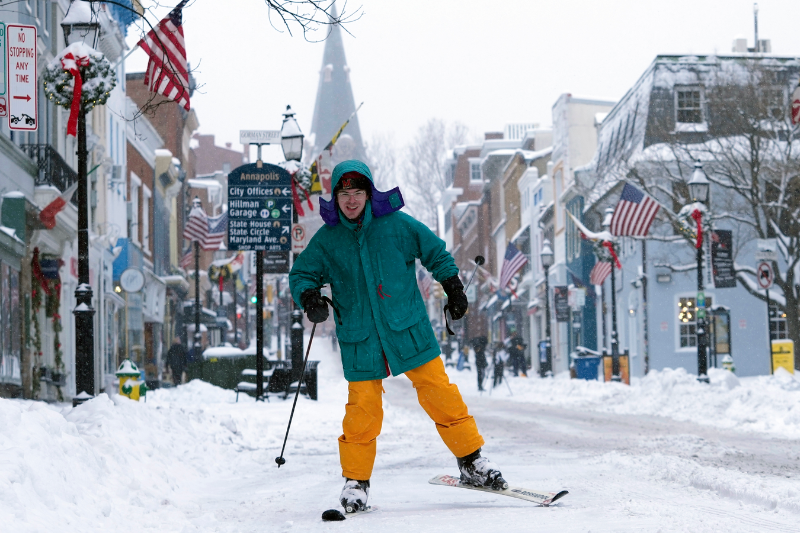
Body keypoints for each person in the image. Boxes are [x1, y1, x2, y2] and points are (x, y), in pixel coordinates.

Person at [290, 160, 507, 514]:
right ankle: (356, 481)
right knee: (362, 408)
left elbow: (434, 251)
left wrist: (452, 285)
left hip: (408, 326)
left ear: (369, 193)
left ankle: (471, 461)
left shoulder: (396, 226)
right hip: (360, 337)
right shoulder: (328, 240)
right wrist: (309, 296)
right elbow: (301, 273)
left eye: (358, 192)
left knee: (439, 392)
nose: (351, 200)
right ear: (336, 197)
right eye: (344, 193)